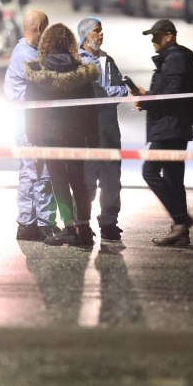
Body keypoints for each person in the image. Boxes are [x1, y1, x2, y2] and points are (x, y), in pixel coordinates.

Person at [24, 23, 100, 248]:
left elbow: (32, 110)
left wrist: (32, 137)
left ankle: (68, 227)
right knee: (78, 180)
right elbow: (90, 109)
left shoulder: (38, 73)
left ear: (46, 43)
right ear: (70, 44)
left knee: (58, 181)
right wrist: (93, 138)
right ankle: (84, 228)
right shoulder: (81, 73)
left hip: (48, 136)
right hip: (76, 134)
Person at [132, 19, 193, 247]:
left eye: (156, 36)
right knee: (173, 178)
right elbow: (167, 93)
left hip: (171, 129)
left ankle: (181, 220)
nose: (153, 41)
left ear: (169, 36)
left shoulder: (176, 58)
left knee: (150, 172)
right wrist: (146, 97)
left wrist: (147, 100)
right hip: (172, 127)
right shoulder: (173, 58)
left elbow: (171, 95)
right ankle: (181, 231)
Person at [4, 10, 58, 241]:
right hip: (30, 124)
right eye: (46, 29)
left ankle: (27, 224)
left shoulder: (24, 51)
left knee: (28, 173)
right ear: (38, 29)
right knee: (42, 173)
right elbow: (50, 81)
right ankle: (47, 224)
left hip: (26, 121)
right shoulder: (28, 56)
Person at [76, 16, 129, 242]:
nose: (101, 34)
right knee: (85, 180)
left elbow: (121, 90)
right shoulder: (76, 62)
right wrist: (107, 94)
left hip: (109, 130)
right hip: (86, 131)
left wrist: (104, 95)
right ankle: (81, 224)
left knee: (111, 179)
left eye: (101, 30)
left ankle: (109, 222)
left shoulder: (108, 60)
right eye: (97, 31)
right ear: (86, 35)